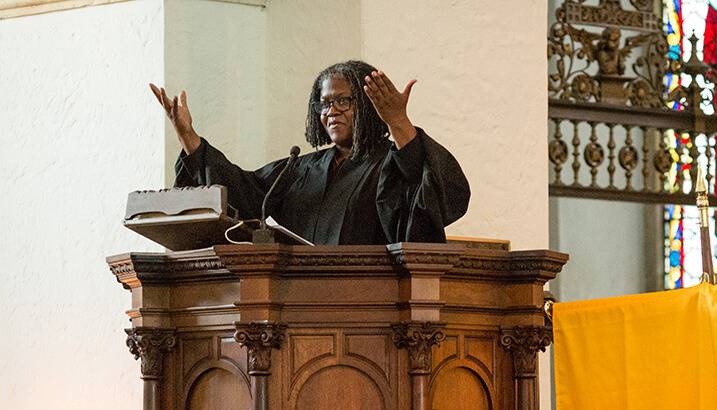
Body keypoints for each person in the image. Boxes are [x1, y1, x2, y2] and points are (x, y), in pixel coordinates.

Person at [150, 60, 469, 245]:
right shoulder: (301, 169)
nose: (331, 112)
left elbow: (435, 200)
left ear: (370, 108)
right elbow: (244, 195)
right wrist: (188, 137)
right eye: (325, 103)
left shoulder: (391, 162)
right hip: (298, 308)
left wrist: (399, 123)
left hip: (371, 309)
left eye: (343, 101)